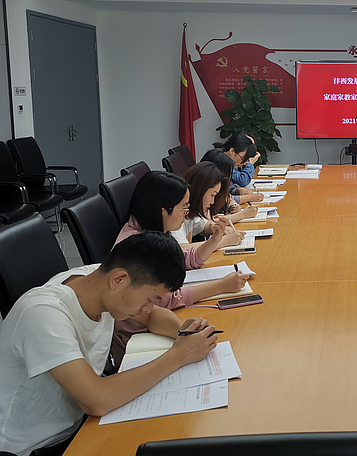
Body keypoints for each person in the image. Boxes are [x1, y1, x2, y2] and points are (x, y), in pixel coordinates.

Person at [0, 232, 218, 456]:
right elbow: (97, 400)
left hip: (79, 424)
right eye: (149, 299)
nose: (149, 307)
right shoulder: (43, 313)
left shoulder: (98, 281)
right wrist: (178, 356)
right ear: (119, 280)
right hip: (32, 447)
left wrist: (184, 334)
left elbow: (153, 316)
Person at [114, 171, 249, 362]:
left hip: (154, 325)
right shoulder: (138, 246)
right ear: (163, 211)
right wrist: (221, 286)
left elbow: (187, 258)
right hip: (136, 341)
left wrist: (215, 239)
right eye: (184, 207)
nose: (187, 213)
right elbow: (166, 300)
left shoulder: (152, 230)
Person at [170, 162, 245, 249]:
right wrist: (223, 241)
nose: (212, 202)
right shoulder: (175, 213)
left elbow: (202, 227)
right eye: (212, 195)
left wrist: (214, 228)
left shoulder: (191, 210)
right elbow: (183, 250)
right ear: (200, 190)